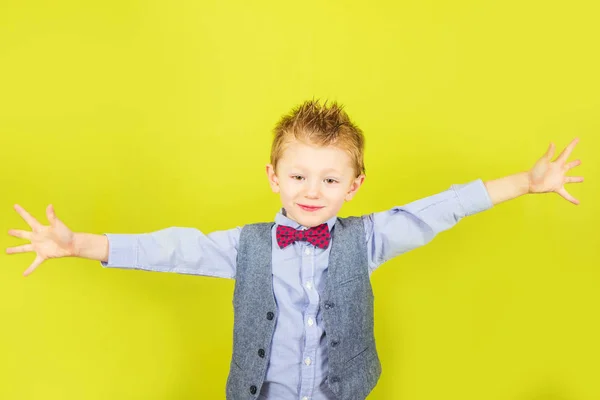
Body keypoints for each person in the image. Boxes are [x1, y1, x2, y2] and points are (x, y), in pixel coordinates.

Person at [6, 100, 584, 400]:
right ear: (273, 177)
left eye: (331, 180)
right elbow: (175, 250)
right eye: (299, 176)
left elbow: (439, 209)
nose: (313, 191)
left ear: (354, 186)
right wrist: (79, 243)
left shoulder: (369, 238)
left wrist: (525, 184)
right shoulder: (248, 246)